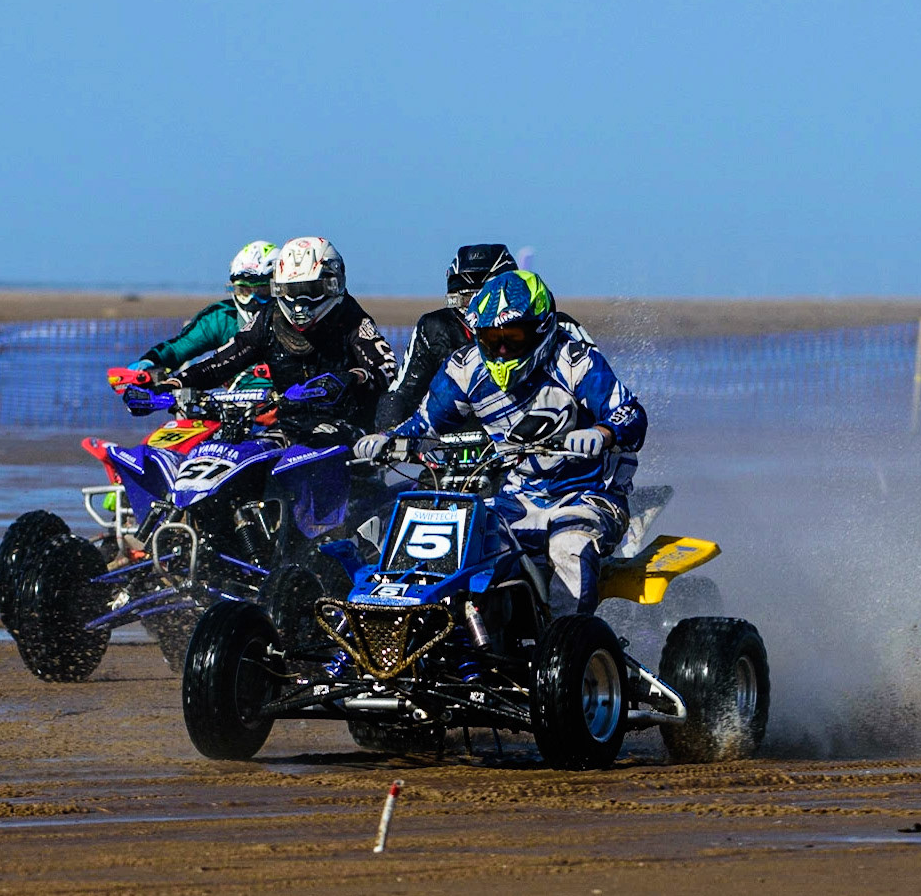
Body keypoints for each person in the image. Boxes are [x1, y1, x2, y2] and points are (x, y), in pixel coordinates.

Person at [354, 270, 646, 616]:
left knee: (569, 546)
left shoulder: (574, 361)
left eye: (514, 336)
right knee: (465, 542)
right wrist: (387, 439)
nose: (502, 348)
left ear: (541, 328)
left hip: (589, 495)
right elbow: (425, 422)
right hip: (516, 497)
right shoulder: (466, 368)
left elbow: (630, 413)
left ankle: (567, 646)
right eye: (492, 339)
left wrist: (602, 433)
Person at [170, 236, 398, 434]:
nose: (300, 304)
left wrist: (352, 378)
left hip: (347, 429)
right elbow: (222, 362)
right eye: (292, 291)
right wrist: (176, 383)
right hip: (286, 426)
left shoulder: (352, 319)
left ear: (332, 285)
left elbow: (387, 370)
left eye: (310, 291)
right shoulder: (269, 318)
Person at [373, 243, 517, 429]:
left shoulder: (537, 324)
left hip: (519, 438)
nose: (474, 307)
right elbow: (403, 391)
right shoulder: (433, 327)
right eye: (465, 298)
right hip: (449, 443)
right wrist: (387, 435)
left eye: (483, 297)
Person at [118, 240, 279, 384]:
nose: (252, 299)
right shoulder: (221, 318)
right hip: (236, 409)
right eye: (243, 290)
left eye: (262, 290)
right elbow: (179, 348)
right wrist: (149, 363)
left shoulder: (294, 320)